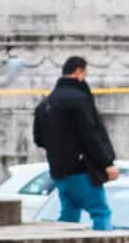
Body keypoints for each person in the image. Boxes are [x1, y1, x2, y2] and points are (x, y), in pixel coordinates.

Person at [32, 55, 119, 231]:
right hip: (81, 169)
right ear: (79, 72)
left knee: (69, 214)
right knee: (101, 212)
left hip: (58, 171)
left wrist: (59, 148)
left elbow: (39, 139)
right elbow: (91, 134)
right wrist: (107, 162)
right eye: (85, 74)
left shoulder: (44, 104)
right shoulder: (79, 100)